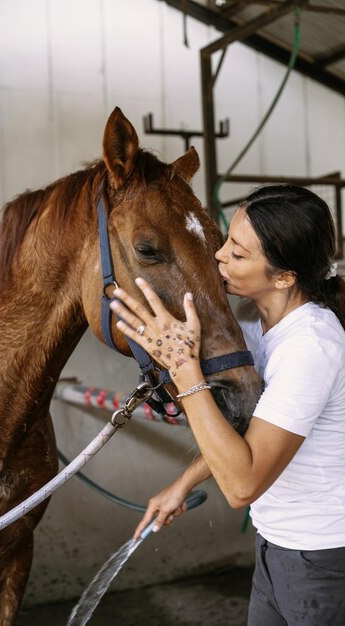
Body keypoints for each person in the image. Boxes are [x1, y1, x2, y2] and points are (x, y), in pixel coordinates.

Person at [109, 184, 345, 625]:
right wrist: (185, 480)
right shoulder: (259, 331)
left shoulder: (310, 346)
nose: (218, 257)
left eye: (237, 255)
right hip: (277, 546)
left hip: (323, 560)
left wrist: (184, 369)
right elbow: (255, 434)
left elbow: (242, 485)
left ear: (284, 277)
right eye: (225, 241)